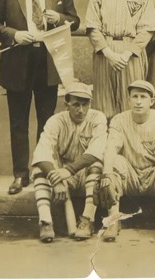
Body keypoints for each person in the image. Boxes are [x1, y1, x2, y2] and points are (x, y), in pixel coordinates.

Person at [0, 0, 80, 195]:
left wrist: (59, 19)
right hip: (18, 62)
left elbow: (75, 22)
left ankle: (42, 169)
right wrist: (14, 34)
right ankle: (20, 174)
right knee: (18, 122)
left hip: (47, 62)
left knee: (46, 121)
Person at [99, 80, 155, 241]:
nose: (138, 101)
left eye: (143, 97)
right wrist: (107, 174)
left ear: (152, 101)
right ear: (128, 100)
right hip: (132, 178)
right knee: (115, 161)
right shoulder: (119, 120)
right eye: (134, 96)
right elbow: (111, 147)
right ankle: (114, 220)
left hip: (154, 177)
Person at [85, 0, 155, 119]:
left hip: (130, 52)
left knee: (132, 104)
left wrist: (126, 54)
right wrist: (109, 53)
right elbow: (92, 27)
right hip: (105, 50)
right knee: (104, 105)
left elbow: (147, 29)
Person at [31, 82, 107, 243]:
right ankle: (45, 221)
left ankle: (87, 220)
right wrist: (56, 179)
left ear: (90, 104)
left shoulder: (97, 118)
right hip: (62, 173)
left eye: (85, 105)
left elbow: (96, 151)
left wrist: (68, 171)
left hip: (83, 172)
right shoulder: (55, 120)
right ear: (67, 105)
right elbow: (41, 152)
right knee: (38, 170)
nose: (81, 110)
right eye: (76, 105)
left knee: (97, 166)